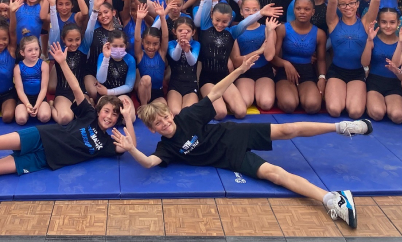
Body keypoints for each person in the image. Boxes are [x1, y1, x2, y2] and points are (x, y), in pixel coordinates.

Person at [113, 50, 370, 229]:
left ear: (170, 113)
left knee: (289, 130)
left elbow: (214, 93)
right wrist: (131, 148)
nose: (166, 123)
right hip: (230, 157)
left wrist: (238, 70)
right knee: (274, 173)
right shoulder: (165, 147)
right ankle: (331, 199)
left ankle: (341, 126)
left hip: (233, 133)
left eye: (166, 117)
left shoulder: (188, 116)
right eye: (159, 123)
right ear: (153, 129)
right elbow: (147, 163)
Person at [0, 41, 136, 176]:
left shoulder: (108, 144)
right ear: (99, 110)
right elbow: (75, 87)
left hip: (43, 159)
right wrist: (63, 64)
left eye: (114, 114)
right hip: (41, 136)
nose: (109, 116)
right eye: (107, 111)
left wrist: (127, 118)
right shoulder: (89, 115)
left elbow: (131, 147)